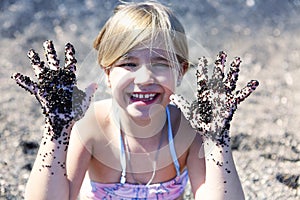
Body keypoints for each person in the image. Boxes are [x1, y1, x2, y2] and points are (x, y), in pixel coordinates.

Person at [12, 1, 259, 199]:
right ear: (108, 74)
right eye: (129, 64)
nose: (144, 78)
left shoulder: (188, 130)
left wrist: (217, 139)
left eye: (161, 64)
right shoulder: (91, 127)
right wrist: (56, 130)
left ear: (181, 72)